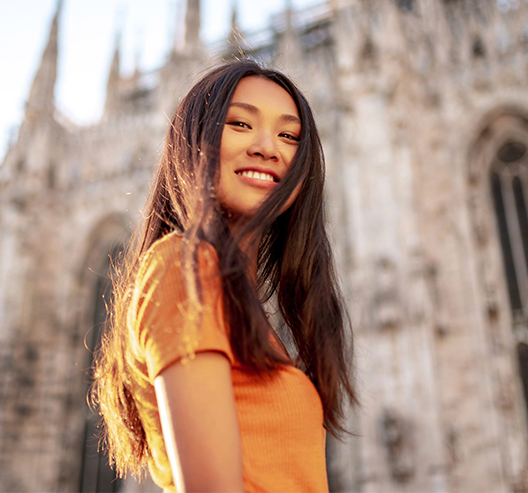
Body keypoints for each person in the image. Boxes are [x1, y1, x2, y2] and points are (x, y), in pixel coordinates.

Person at [92, 60, 357, 493]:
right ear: (195, 138)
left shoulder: (241, 303)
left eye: (289, 135)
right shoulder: (183, 269)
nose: (268, 147)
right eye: (240, 123)